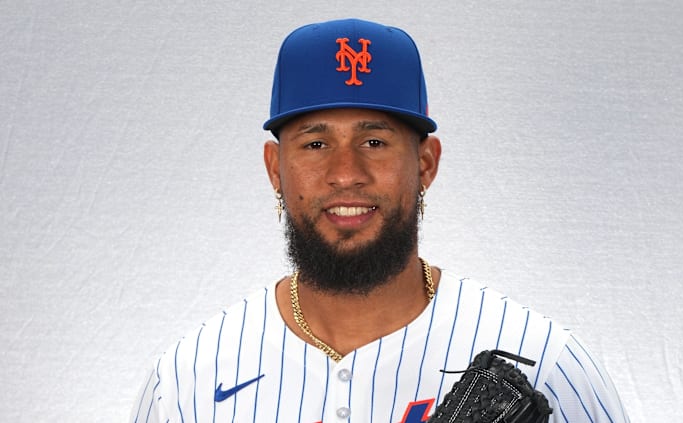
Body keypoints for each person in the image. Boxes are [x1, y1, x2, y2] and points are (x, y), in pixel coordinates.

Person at [131, 18, 629, 423]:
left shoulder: (546, 361)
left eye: (375, 141)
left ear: (426, 164)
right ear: (275, 169)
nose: (345, 174)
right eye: (315, 143)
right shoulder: (187, 378)